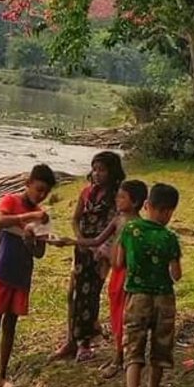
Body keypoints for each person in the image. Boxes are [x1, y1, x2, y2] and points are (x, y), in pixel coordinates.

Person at [0, 163, 58, 387]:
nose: (41, 195)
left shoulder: (42, 217)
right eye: (38, 189)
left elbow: (39, 253)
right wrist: (29, 217)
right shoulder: (10, 201)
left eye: (45, 192)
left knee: (10, 325)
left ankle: (2, 376)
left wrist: (32, 238)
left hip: (22, 275)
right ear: (28, 183)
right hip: (2, 271)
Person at [54, 151, 126, 363]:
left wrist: (100, 249)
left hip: (101, 253)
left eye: (101, 170)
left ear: (112, 172)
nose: (96, 174)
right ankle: (71, 339)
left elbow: (116, 228)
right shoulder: (86, 193)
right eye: (94, 169)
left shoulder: (117, 197)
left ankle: (84, 343)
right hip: (81, 249)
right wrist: (79, 239)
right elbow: (75, 220)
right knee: (73, 294)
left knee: (89, 296)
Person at [118, 182, 183, 387]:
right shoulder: (170, 238)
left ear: (147, 205)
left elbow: (118, 261)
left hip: (138, 296)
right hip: (164, 298)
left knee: (133, 349)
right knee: (160, 351)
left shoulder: (131, 230)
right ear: (169, 211)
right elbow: (176, 275)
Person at [76, 179, 148, 377]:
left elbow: (128, 258)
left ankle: (119, 359)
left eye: (122, 197)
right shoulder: (118, 219)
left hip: (127, 274)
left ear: (134, 202)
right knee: (116, 313)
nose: (117, 199)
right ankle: (120, 355)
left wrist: (107, 255)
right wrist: (71, 241)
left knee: (123, 317)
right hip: (117, 274)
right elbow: (97, 239)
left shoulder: (136, 226)